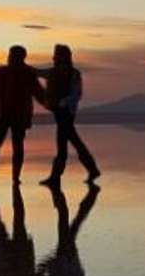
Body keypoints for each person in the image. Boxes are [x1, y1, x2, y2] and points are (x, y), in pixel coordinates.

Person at [0, 44, 43, 186]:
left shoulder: (28, 73)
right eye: (10, 55)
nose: (9, 58)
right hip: (2, 114)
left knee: (17, 146)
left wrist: (53, 105)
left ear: (20, 57)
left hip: (20, 116)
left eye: (12, 55)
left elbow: (39, 94)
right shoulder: (2, 72)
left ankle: (15, 178)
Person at [35, 44, 100, 187]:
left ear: (63, 57)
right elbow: (38, 73)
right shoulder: (53, 72)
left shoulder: (73, 73)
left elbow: (76, 94)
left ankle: (56, 177)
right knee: (72, 142)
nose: (54, 58)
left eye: (56, 55)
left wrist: (63, 103)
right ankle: (90, 169)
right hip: (60, 112)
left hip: (66, 113)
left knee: (64, 144)